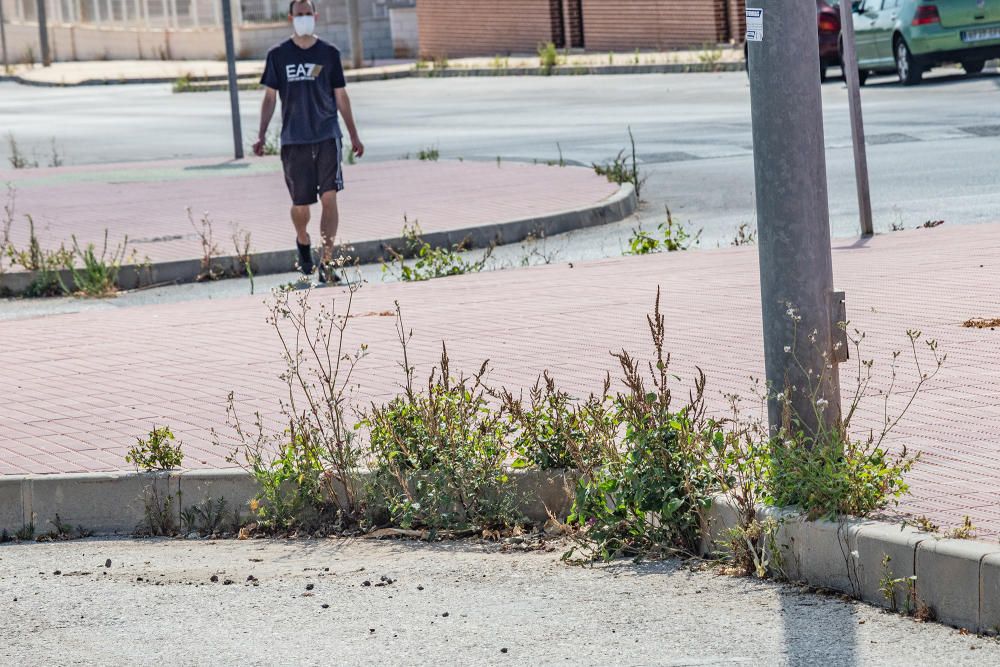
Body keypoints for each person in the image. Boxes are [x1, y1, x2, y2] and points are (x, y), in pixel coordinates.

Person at [253, 0, 364, 283]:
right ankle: (303, 240)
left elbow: (341, 95)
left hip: (327, 136)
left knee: (329, 197)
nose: (304, 19)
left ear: (315, 16)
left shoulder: (329, 53)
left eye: (308, 14)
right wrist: (261, 134)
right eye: (299, 15)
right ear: (291, 17)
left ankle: (327, 263)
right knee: (300, 205)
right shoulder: (278, 55)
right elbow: (269, 98)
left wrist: (352, 133)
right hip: (294, 140)